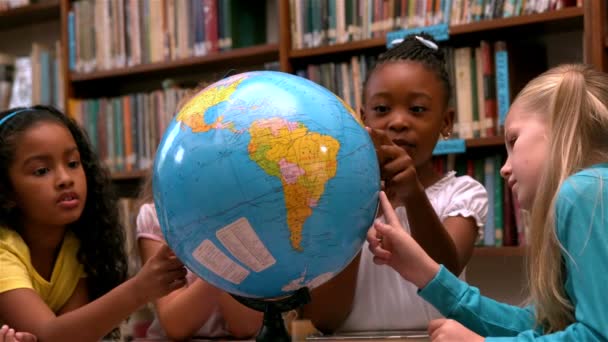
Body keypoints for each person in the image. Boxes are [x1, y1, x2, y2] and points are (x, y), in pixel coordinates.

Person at [368, 64, 608, 341]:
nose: (504, 168)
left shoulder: (585, 191)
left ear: (563, 128)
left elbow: (597, 336)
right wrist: (424, 271)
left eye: (513, 140)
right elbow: (543, 326)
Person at [302, 34, 488, 332]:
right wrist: (360, 207)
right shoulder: (337, 201)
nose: (398, 122)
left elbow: (445, 276)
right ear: (362, 120)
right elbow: (323, 319)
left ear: (446, 122)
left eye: (417, 109)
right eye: (382, 110)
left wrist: (413, 194)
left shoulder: (462, 192)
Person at [0, 106, 187, 342]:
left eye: (73, 163)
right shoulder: (3, 251)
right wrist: (140, 289)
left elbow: (73, 334)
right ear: (5, 190)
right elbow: (48, 334)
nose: (65, 179)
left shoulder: (77, 245)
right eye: (41, 171)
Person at [135, 90, 263, 341]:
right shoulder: (154, 216)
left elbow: (245, 327)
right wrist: (221, 254)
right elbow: (176, 325)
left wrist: (227, 219)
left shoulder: (257, 215)